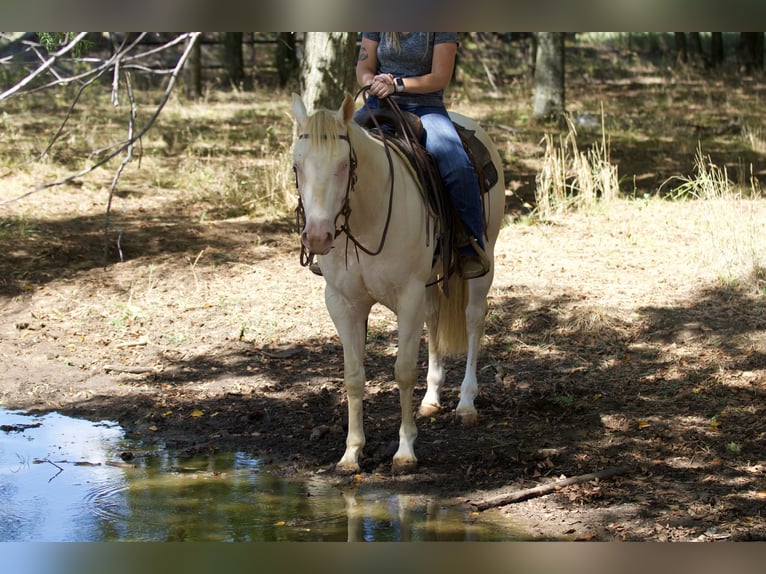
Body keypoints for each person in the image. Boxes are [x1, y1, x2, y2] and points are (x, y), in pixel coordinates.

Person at [355, 32, 490, 279]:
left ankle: (468, 242)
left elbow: (440, 77)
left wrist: (397, 84)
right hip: (378, 103)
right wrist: (373, 82)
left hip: (425, 107)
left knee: (456, 165)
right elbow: (364, 64)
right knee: (339, 150)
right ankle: (330, 237)